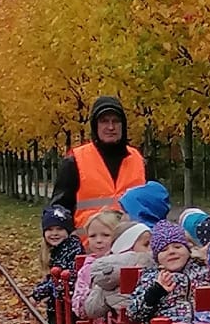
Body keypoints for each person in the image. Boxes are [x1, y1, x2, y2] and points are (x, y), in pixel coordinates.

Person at [51, 96, 148, 230]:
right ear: (95, 125)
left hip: (132, 246)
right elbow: (60, 210)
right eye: (104, 121)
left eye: (116, 121)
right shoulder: (75, 161)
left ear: (123, 125)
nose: (110, 127)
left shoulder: (138, 160)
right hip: (87, 247)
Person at [30, 203, 82, 306]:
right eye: (50, 229)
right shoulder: (55, 250)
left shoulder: (72, 249)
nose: (54, 233)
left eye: (60, 229)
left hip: (69, 304)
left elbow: (59, 280)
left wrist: (38, 294)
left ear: (68, 231)